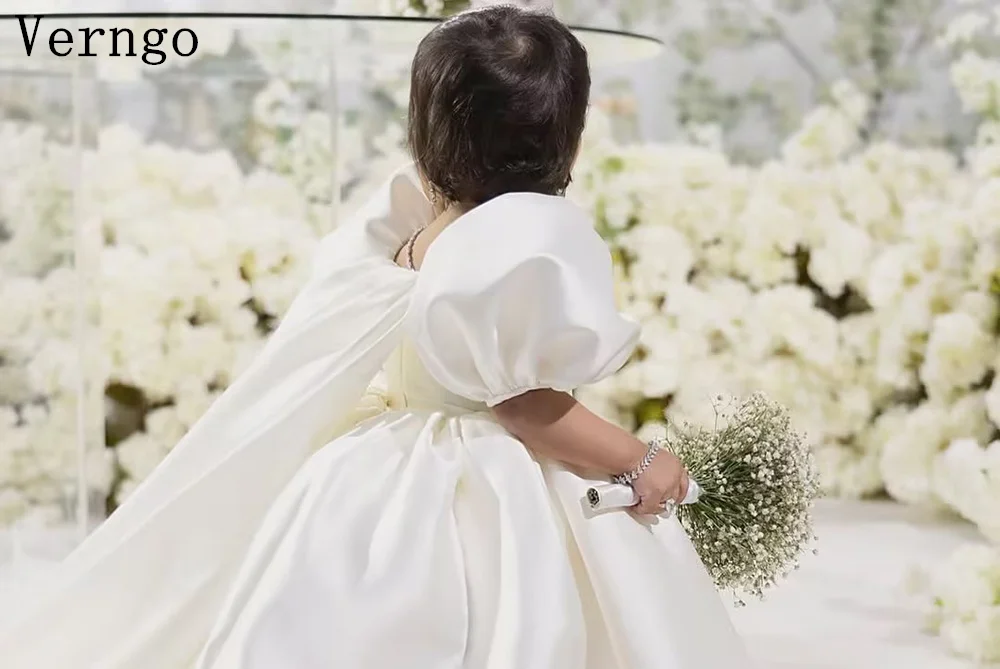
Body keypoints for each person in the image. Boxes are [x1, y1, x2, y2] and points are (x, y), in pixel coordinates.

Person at [0, 6, 754, 668]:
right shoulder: (520, 240)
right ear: (567, 137)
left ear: (427, 133)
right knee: (527, 610)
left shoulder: (415, 225)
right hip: (484, 478)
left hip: (378, 462)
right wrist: (642, 458)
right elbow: (524, 405)